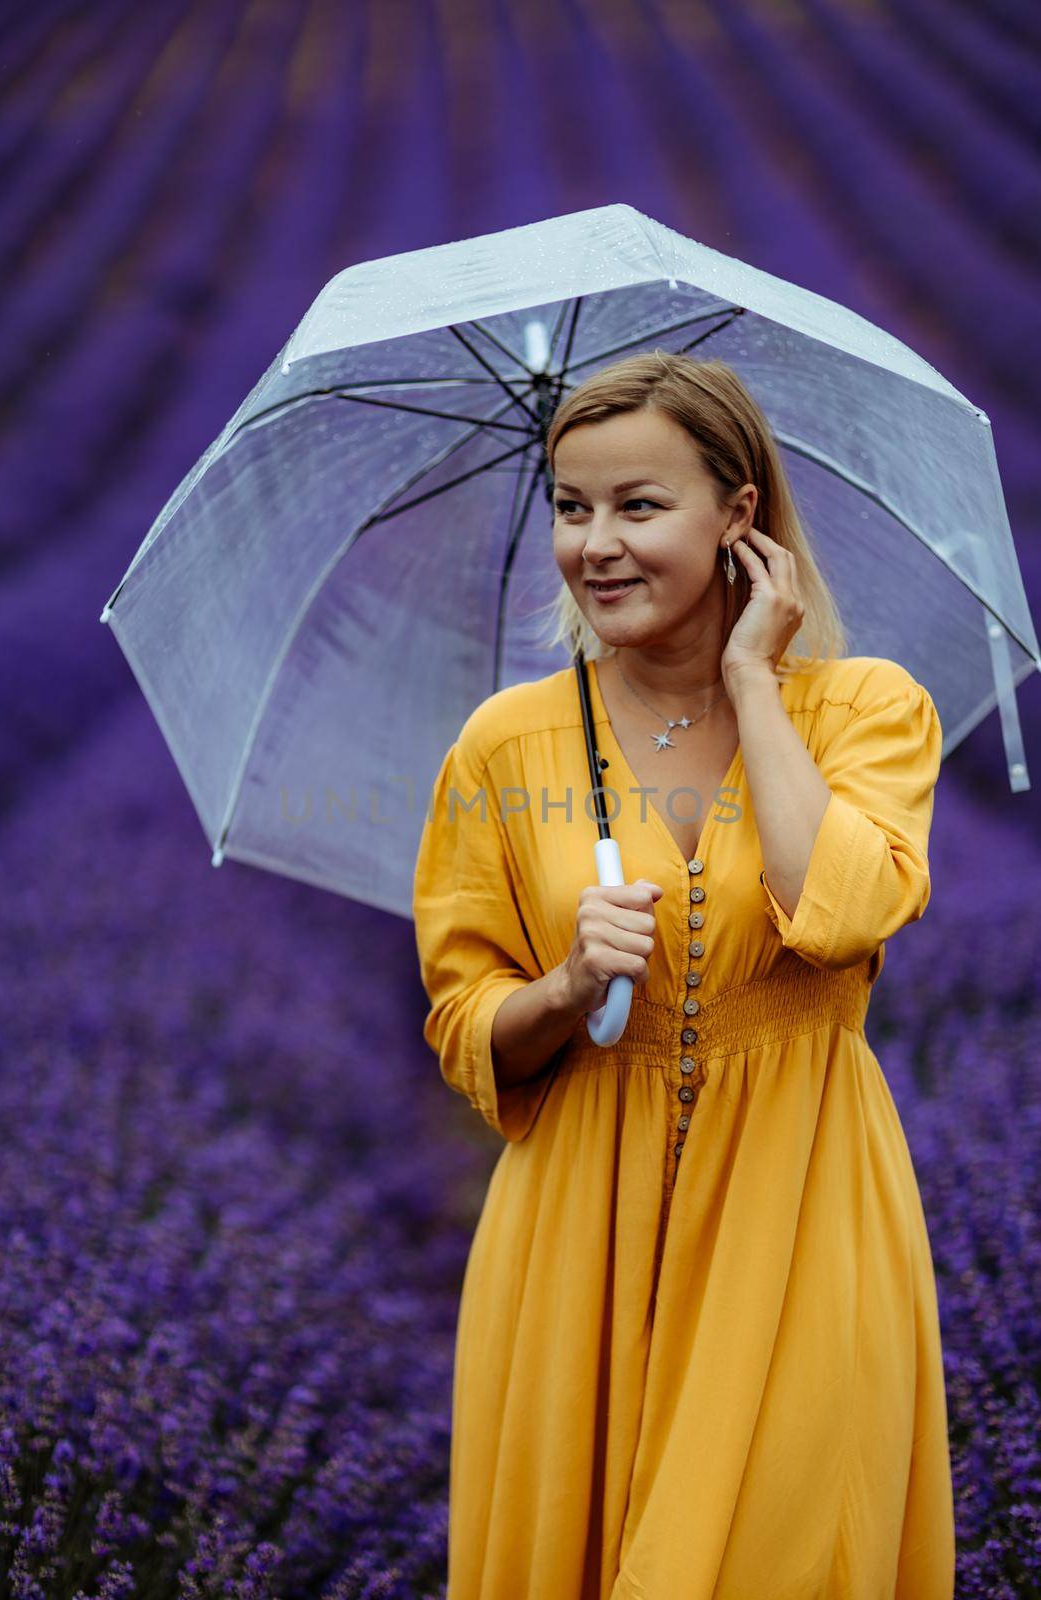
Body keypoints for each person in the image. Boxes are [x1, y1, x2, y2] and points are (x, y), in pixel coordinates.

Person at [411, 350, 956, 1600]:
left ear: (738, 517)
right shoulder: (507, 744)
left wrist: (755, 685)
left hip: (803, 1203)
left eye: (637, 505)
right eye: (569, 506)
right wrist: (557, 988)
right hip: (575, 1235)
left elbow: (849, 908)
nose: (593, 544)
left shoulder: (866, 710)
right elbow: (459, 1015)